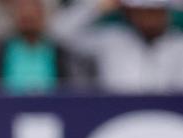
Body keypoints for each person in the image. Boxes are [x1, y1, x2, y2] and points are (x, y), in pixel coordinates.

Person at [50, 0, 183, 93]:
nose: (149, 18)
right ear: (130, 13)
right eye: (141, 11)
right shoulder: (112, 40)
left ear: (167, 13)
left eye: (155, 11)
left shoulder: (179, 44)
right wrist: (97, 5)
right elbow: (59, 32)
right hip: (115, 120)